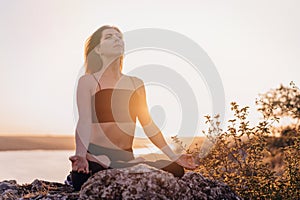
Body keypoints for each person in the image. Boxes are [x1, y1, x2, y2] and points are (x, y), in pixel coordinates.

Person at [67, 25, 197, 191]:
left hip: (126, 157)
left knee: (176, 170)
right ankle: (104, 164)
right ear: (98, 50)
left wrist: (174, 156)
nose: (116, 39)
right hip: (96, 156)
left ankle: (124, 165)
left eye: (119, 37)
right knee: (81, 180)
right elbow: (84, 121)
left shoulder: (136, 83)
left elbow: (148, 124)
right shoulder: (88, 81)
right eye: (109, 37)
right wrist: (80, 156)